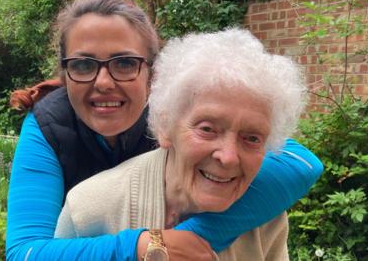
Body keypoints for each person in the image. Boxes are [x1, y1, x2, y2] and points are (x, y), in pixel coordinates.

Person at [6, 0, 323, 261]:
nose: (103, 82)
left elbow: (298, 163)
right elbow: (25, 251)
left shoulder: (182, 107)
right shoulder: (48, 128)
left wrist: (199, 235)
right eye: (84, 65)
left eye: (125, 63)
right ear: (65, 74)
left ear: (153, 74)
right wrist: (143, 244)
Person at [54, 27, 307, 261]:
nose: (229, 157)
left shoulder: (265, 214)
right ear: (165, 126)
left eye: (252, 138)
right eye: (207, 129)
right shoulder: (87, 210)